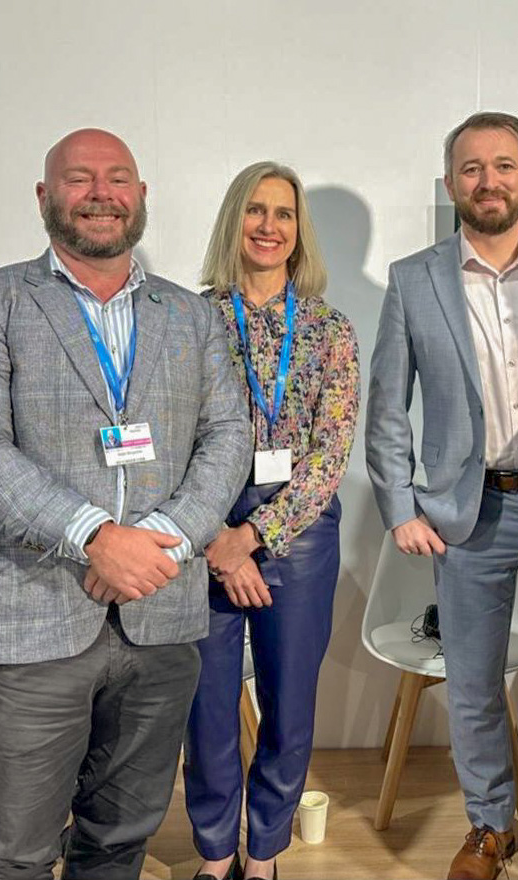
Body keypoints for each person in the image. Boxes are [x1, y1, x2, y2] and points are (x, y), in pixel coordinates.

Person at [0, 128, 252, 880]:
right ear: (45, 198)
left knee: (121, 836)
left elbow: (228, 436)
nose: (100, 193)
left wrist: (159, 540)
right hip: (32, 616)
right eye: (79, 179)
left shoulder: (191, 315)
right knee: (16, 851)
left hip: (161, 615)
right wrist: (96, 537)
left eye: (117, 178)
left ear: (140, 197)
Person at [366, 111, 518, 880]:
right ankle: (490, 826)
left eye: (503, 165)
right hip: (471, 512)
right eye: (471, 168)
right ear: (449, 183)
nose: (487, 181)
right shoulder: (413, 278)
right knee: (470, 681)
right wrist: (399, 506)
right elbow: (386, 405)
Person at [182, 162, 359, 880]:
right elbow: (169, 441)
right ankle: (215, 853)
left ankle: (265, 855)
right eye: (254, 211)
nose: (267, 225)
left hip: (299, 536)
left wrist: (253, 538)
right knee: (207, 708)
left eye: (282, 214)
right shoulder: (190, 319)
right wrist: (217, 542)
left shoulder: (327, 328)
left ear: (297, 232)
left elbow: (329, 453)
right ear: (235, 221)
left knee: (288, 707)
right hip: (203, 531)